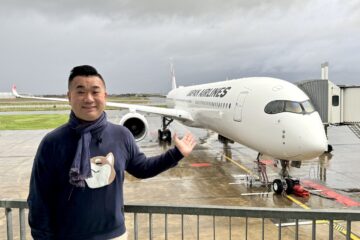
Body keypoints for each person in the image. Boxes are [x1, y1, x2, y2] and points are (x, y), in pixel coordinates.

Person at [27, 65, 196, 240]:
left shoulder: (121, 135)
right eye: (80, 92)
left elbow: (143, 168)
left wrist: (176, 153)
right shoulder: (53, 142)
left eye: (95, 91)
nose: (89, 98)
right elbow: (39, 199)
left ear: (105, 96)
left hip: (115, 235)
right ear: (69, 97)